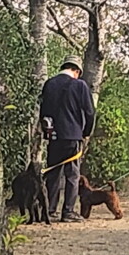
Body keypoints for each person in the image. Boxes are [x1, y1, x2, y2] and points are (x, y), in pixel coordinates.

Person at [39, 58, 95, 223]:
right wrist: (85, 132)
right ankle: (68, 211)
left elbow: (44, 111)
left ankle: (50, 210)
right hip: (73, 135)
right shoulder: (79, 85)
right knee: (72, 174)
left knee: (53, 173)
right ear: (76, 71)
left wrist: (46, 131)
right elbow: (89, 112)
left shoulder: (49, 84)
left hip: (54, 135)